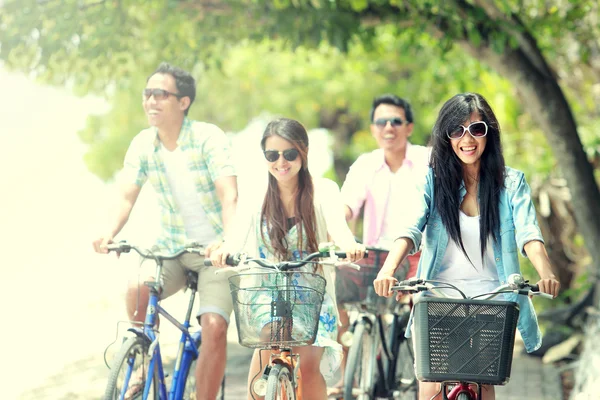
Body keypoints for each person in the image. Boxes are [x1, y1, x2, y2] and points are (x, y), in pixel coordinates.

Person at [373, 93, 561, 400]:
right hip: (438, 299)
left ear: (489, 133)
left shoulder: (511, 183)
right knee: (432, 388)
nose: (467, 139)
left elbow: (529, 234)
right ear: (446, 137)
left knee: (483, 386)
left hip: (493, 301)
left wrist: (546, 272)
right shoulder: (432, 180)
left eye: (476, 129)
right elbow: (409, 229)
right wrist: (388, 269)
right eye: (457, 130)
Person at [92, 62, 238, 400]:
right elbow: (126, 196)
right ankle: (141, 362)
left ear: (183, 102)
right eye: (147, 94)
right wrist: (108, 232)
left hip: (215, 252)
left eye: (161, 94)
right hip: (170, 247)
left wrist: (230, 241)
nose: (151, 101)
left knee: (214, 328)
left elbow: (228, 194)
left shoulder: (207, 138)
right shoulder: (143, 144)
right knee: (136, 289)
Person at [209, 117, 365, 400]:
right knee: (265, 344)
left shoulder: (324, 189)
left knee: (308, 364)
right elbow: (237, 233)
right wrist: (225, 250)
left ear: (303, 151)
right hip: (265, 289)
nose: (281, 162)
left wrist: (349, 245)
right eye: (272, 155)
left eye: (289, 154)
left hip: (311, 290)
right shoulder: (256, 192)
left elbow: (339, 228)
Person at [335, 94, 430, 387]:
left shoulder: (428, 160)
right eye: (381, 122)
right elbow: (347, 205)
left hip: (419, 254)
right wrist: (337, 222)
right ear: (373, 128)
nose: (388, 127)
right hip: (375, 255)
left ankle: (425, 376)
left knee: (424, 308)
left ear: (409, 127)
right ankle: (348, 373)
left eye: (396, 121)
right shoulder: (366, 164)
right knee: (334, 285)